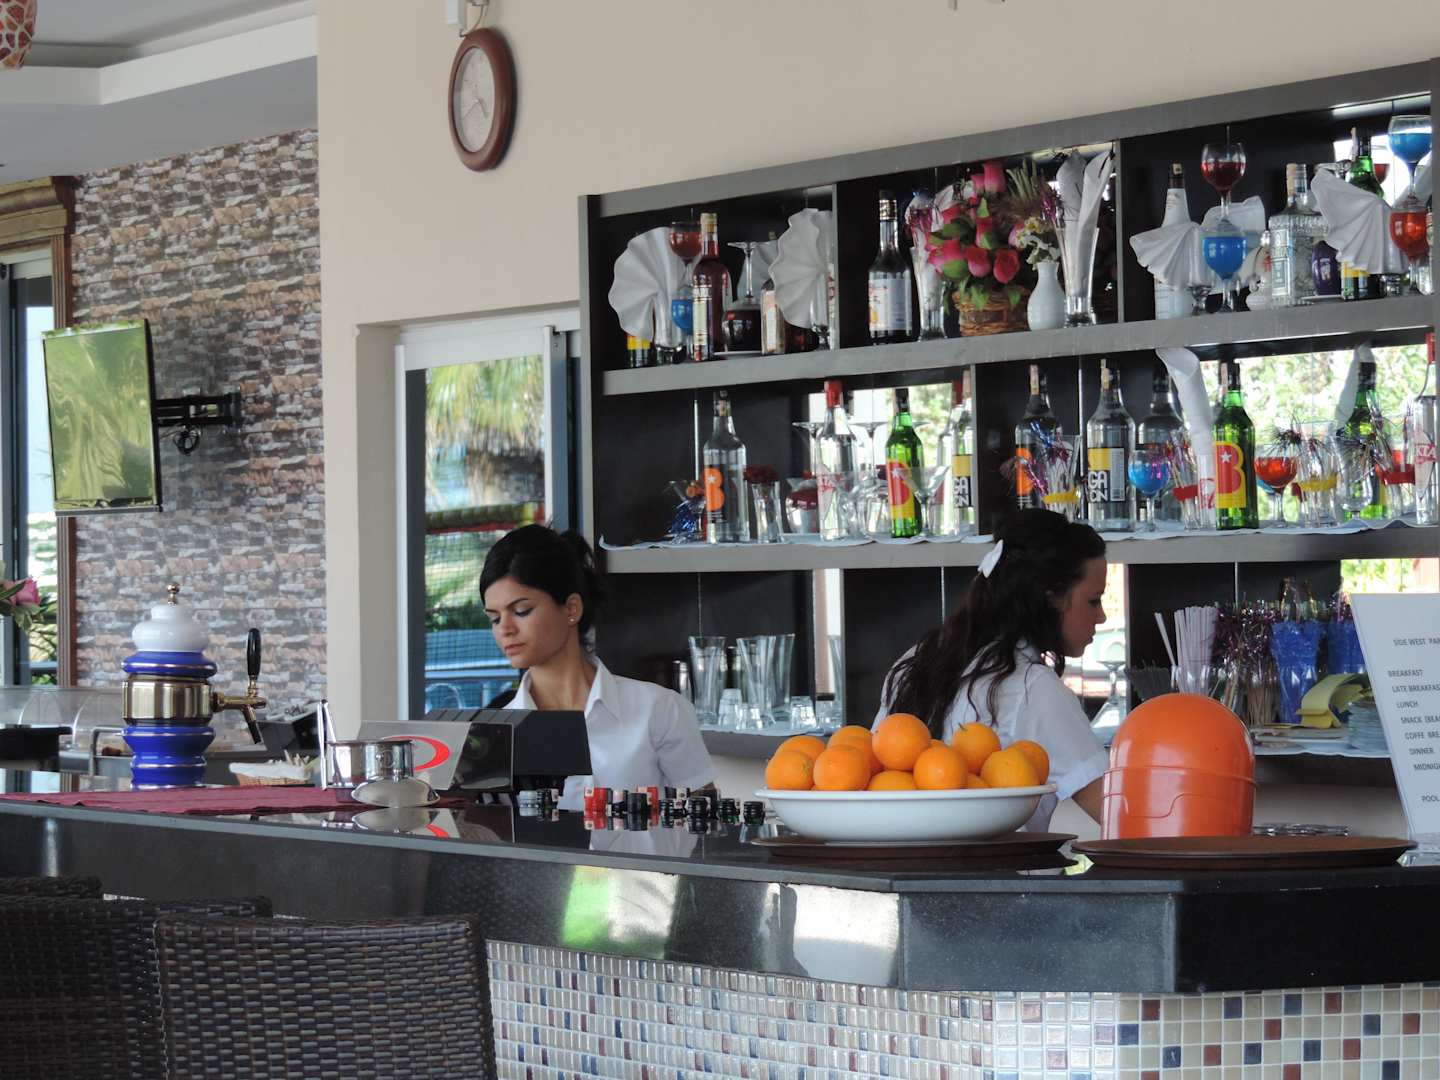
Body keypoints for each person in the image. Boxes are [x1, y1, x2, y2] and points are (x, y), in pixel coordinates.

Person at [873, 509, 1110, 829]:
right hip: (1001, 862)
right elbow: (1120, 813)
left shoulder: (915, 662)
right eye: (1094, 600)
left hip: (893, 855)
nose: (1102, 616)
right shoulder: (1031, 688)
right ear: (1052, 597)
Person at [480, 524, 716, 810]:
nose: (505, 629)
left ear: (572, 608)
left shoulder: (659, 710)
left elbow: (708, 823)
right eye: (494, 618)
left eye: (521, 611)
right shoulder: (496, 736)